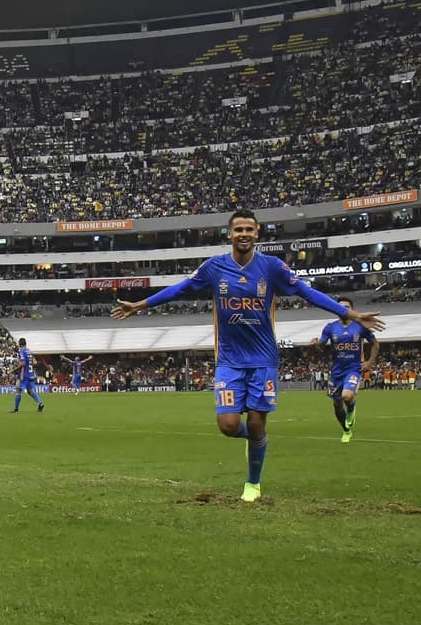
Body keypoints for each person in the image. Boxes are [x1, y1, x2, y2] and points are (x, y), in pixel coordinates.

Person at [112, 209, 385, 501]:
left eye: (249, 230)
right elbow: (180, 289)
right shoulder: (214, 268)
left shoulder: (272, 267)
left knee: (257, 421)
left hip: (263, 360)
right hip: (229, 360)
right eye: (238, 229)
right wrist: (139, 305)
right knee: (228, 426)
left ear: (257, 234)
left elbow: (308, 293)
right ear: (229, 234)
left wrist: (352, 314)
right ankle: (256, 441)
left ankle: (252, 484)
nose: (243, 234)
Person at [315, 297, 379, 443]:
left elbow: (375, 344)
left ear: (352, 310)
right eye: (340, 307)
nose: (343, 309)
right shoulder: (330, 327)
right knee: (337, 404)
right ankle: (346, 430)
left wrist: (370, 361)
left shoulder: (360, 326)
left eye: (346, 307)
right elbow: (321, 347)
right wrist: (316, 344)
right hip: (337, 371)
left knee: (347, 396)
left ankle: (351, 408)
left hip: (353, 368)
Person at [10, 338, 44, 412]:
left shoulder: (22, 351)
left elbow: (23, 364)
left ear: (19, 344)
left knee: (18, 390)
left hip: (24, 374)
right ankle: (40, 403)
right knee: (30, 391)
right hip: (31, 374)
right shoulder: (29, 351)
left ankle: (16, 409)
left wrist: (13, 370)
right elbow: (33, 363)